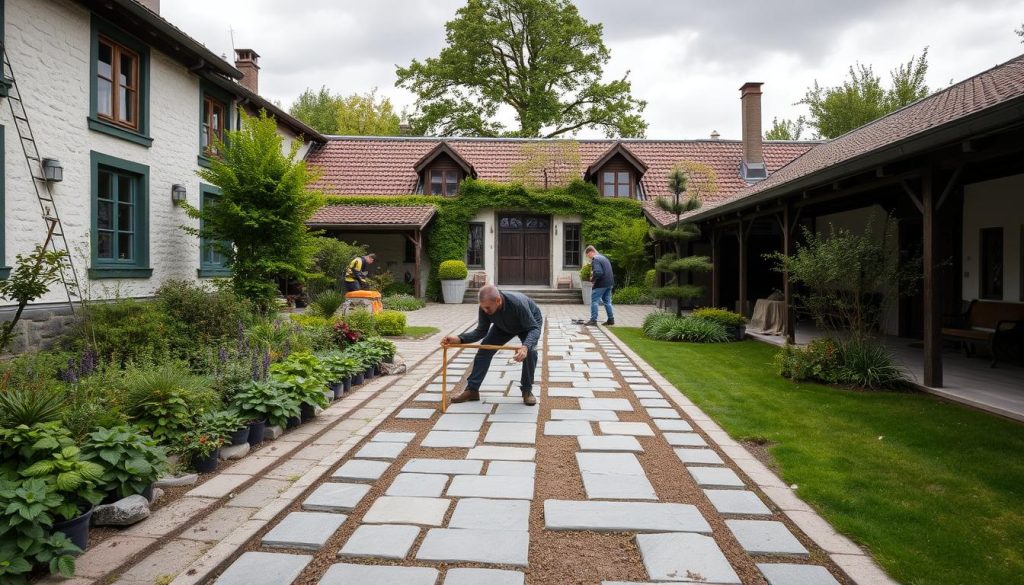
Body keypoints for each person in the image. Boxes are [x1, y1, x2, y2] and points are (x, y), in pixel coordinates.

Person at [442, 284, 543, 406]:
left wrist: (525, 347)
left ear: (498, 301)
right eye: (483, 308)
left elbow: (534, 329)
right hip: (503, 326)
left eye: (488, 308)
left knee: (530, 352)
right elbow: (481, 331)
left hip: (529, 325)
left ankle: (527, 391)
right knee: (484, 351)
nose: (485, 311)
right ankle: (472, 390)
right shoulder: (485, 307)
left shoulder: (517, 304)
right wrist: (459, 339)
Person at [584, 245, 614, 326]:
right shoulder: (604, 258)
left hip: (601, 284)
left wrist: (592, 279)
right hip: (609, 283)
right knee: (607, 301)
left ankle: (593, 320)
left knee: (594, 301)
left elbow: (598, 272)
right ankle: (611, 319)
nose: (589, 258)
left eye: (587, 255)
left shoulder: (596, 259)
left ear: (590, 252)